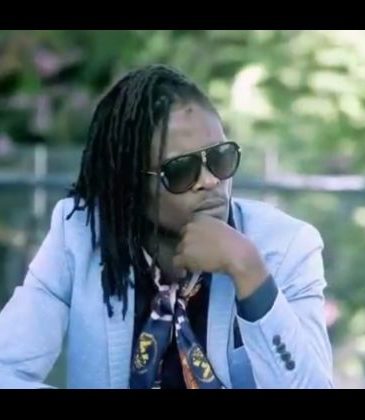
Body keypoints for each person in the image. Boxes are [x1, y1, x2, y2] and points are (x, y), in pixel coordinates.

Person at [0, 64, 334, 389]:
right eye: (181, 170)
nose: (210, 180)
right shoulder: (79, 235)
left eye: (220, 158)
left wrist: (250, 273)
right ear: (130, 183)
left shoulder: (286, 246)